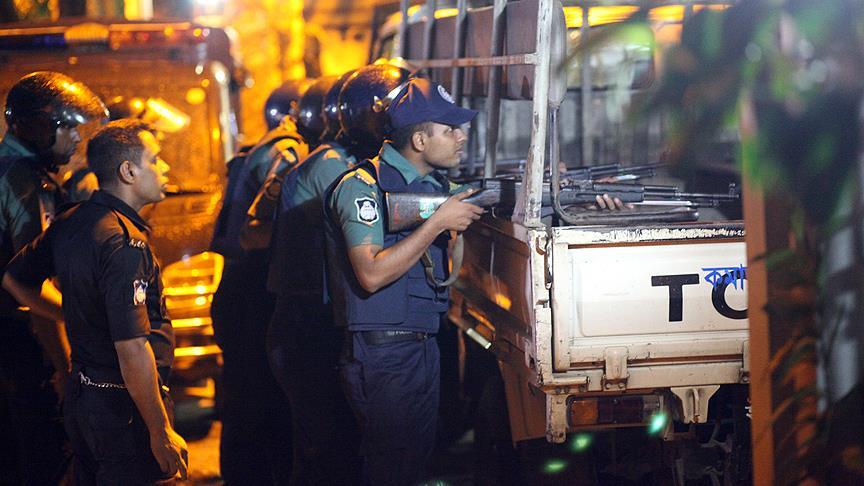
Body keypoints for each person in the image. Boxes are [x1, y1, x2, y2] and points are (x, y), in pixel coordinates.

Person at [2, 119, 187, 485]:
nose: (165, 167)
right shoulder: (124, 243)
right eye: (155, 159)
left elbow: (15, 279)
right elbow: (132, 347)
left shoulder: (72, 220)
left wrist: (73, 314)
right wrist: (159, 429)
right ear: (128, 171)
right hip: (123, 410)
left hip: (84, 399)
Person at [325, 77, 485, 486]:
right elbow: (371, 273)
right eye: (449, 130)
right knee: (391, 470)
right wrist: (437, 224)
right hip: (384, 355)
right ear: (419, 140)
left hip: (416, 346)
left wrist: (565, 190)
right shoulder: (360, 188)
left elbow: (488, 196)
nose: (461, 137)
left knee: (411, 466)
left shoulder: (433, 188)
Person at [263, 64, 411, 485]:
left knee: (324, 451)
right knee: (333, 454)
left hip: (306, 325)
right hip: (307, 328)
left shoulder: (335, 159)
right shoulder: (334, 167)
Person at [0, 71, 106, 485]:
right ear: (40, 126)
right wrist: (67, 358)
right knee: (44, 457)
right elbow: (28, 281)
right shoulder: (24, 180)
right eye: (68, 128)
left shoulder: (10, 168)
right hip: (18, 346)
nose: (77, 139)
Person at [208, 79, 309, 485]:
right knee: (264, 405)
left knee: (244, 403)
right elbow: (257, 231)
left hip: (238, 289)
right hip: (256, 293)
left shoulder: (257, 149)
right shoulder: (287, 151)